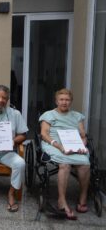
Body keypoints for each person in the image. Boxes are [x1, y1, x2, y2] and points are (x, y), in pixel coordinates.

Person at [39, 88, 90, 220]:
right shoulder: (48, 115)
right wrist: (58, 145)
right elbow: (44, 134)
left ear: (71, 101)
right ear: (56, 101)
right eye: (61, 99)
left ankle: (83, 197)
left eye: (67, 100)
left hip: (74, 145)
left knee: (85, 163)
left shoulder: (77, 116)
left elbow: (83, 135)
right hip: (54, 144)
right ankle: (62, 201)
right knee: (65, 163)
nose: (64, 102)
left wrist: (81, 145)